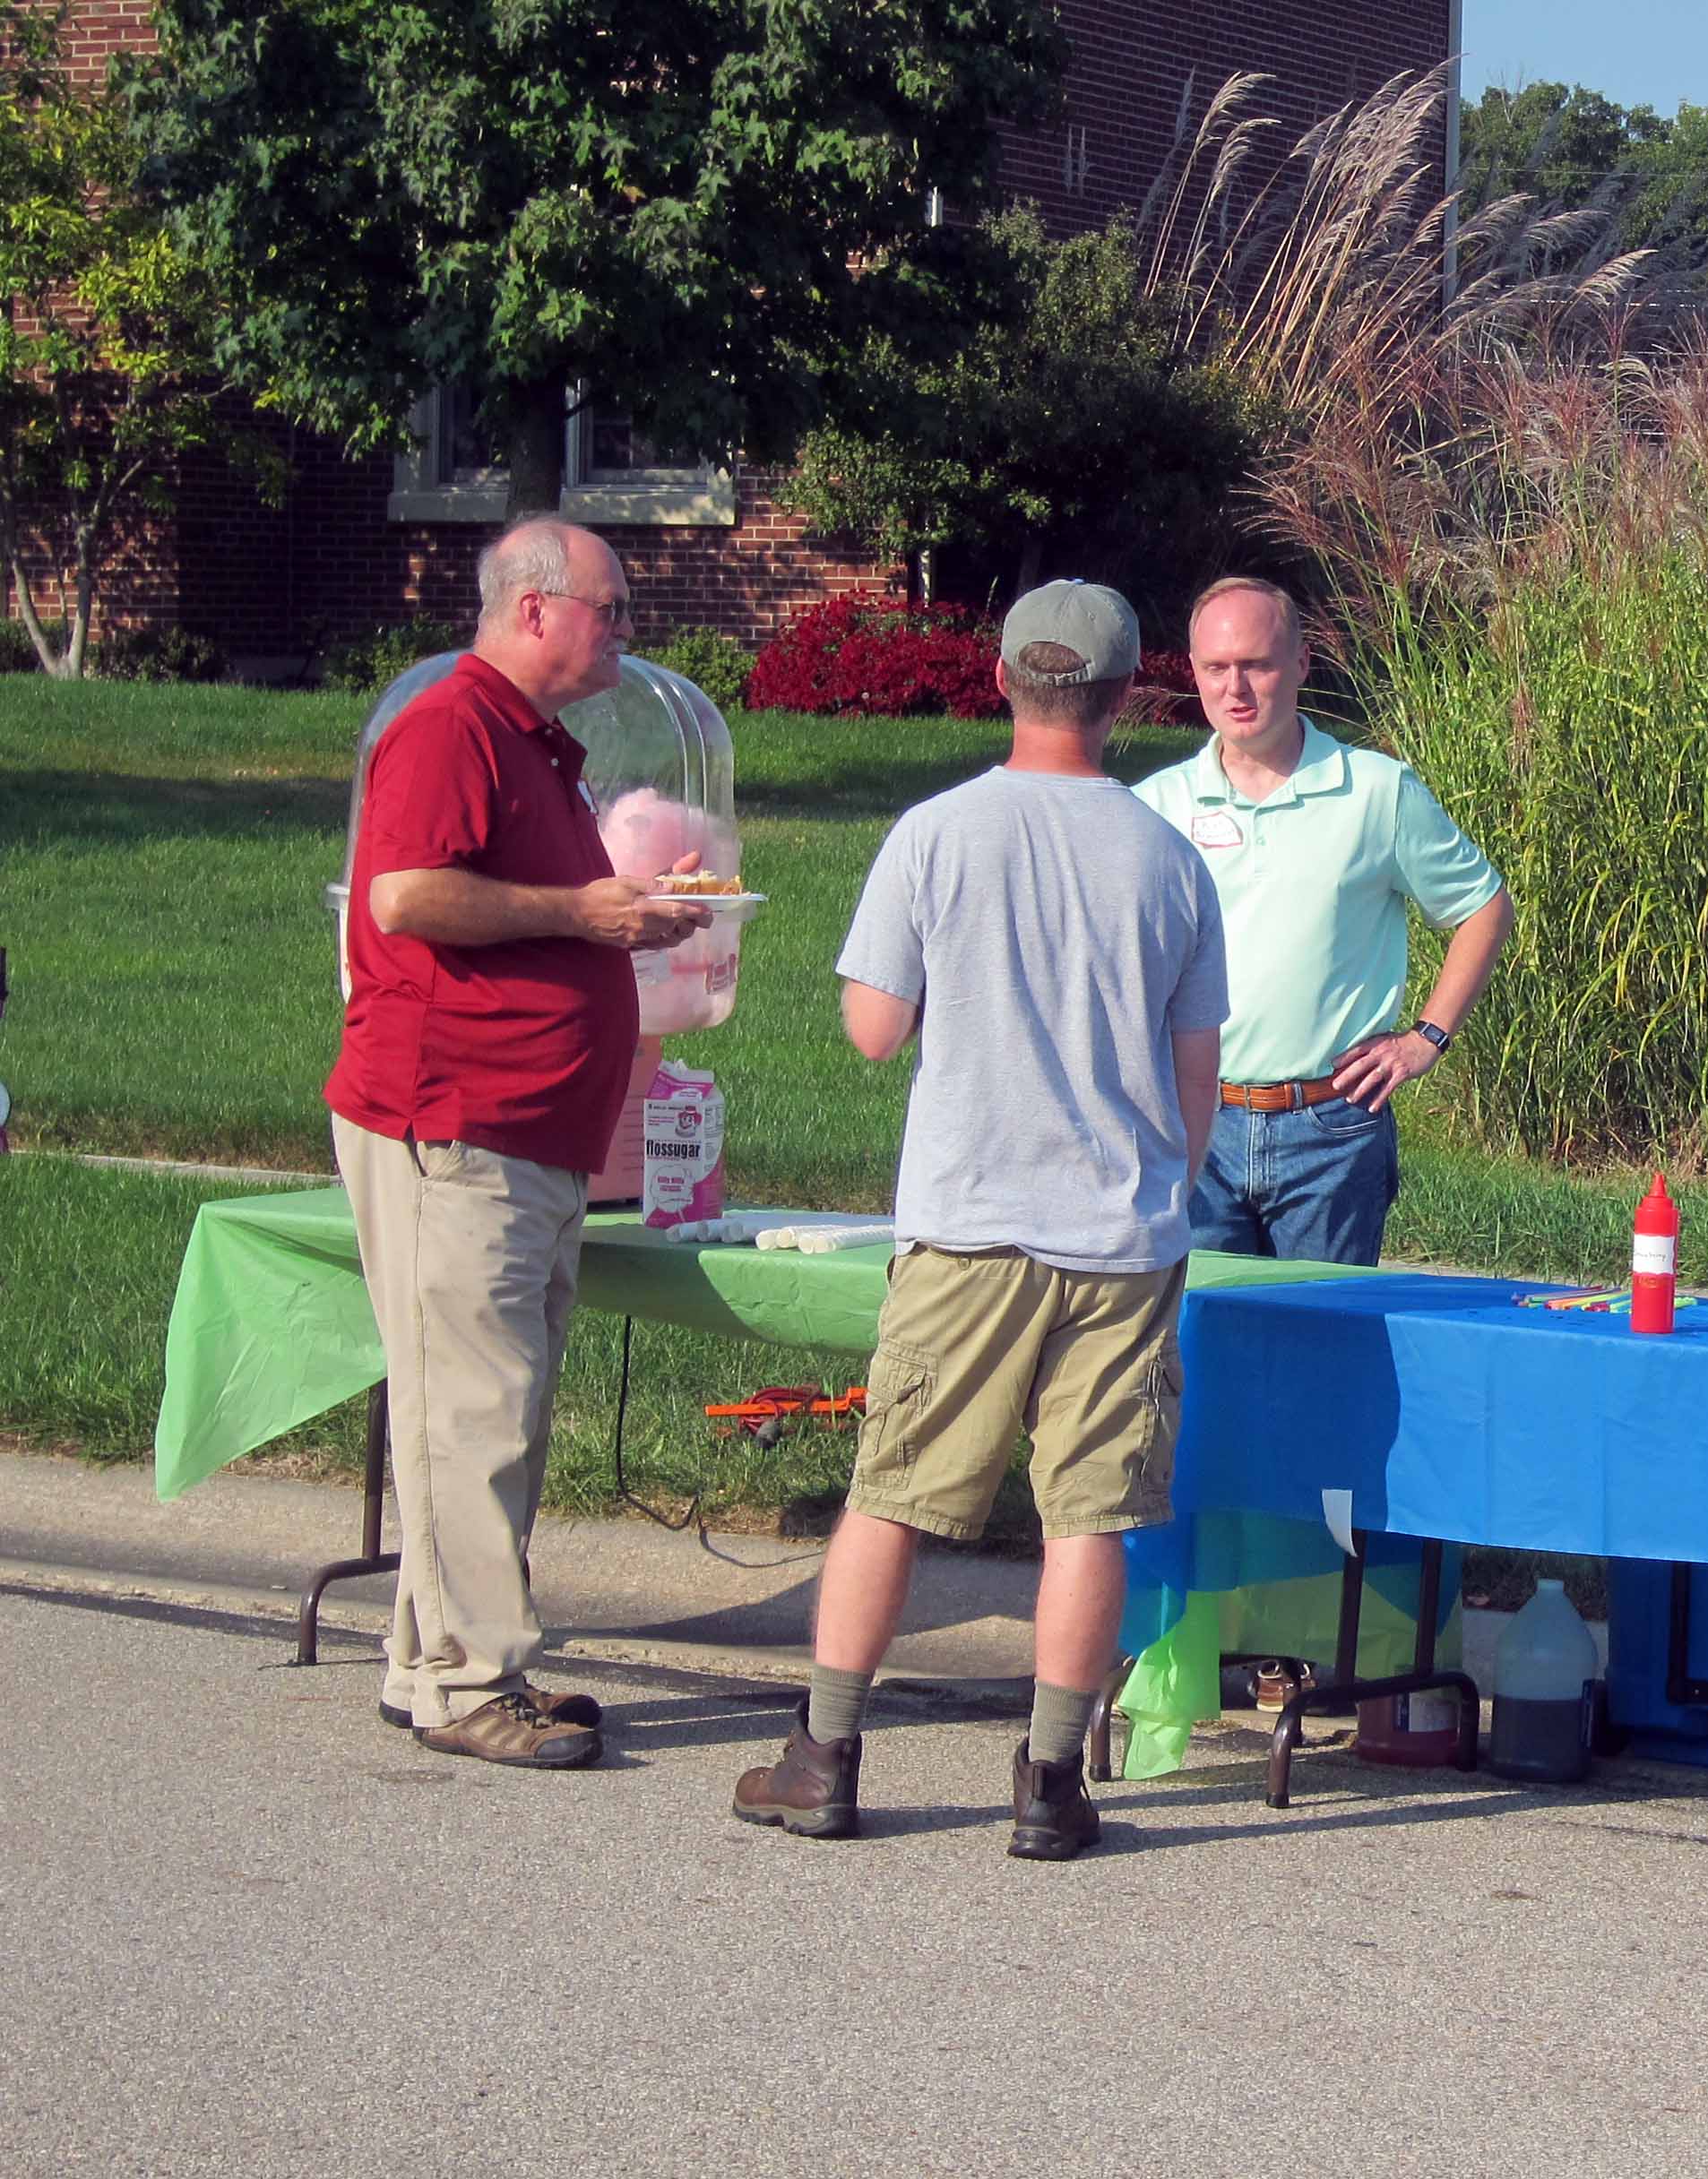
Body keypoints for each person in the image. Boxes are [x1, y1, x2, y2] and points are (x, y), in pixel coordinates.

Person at [733, 581, 1228, 1856]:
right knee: (1089, 1516)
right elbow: (1196, 1076)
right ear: (1125, 698)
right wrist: (1165, 1186)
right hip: (1119, 1242)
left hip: (967, 1232)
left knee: (892, 1493)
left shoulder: (934, 833)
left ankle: (824, 1756)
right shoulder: (1170, 859)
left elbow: (872, 1027)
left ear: (1004, 681)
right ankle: (1051, 1782)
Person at [325, 516, 710, 1769]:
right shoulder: (451, 723)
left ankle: (428, 1661)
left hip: (525, 1125)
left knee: (490, 1403)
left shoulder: (529, 737)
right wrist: (583, 912)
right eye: (612, 607)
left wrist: (625, 916)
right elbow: (406, 894)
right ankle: (470, 1680)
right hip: (455, 1119)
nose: (627, 630)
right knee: (473, 1408)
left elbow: (542, 910)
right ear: (535, 608)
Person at [1132, 576, 1512, 1266]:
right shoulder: (1156, 807)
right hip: (1194, 1127)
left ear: (1302, 663)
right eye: (1217, 668)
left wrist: (1427, 1038)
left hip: (1332, 1132)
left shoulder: (1376, 792)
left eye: (1257, 665)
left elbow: (1483, 907)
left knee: (1322, 1329)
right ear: (1194, 671)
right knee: (1202, 1330)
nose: (1236, 688)